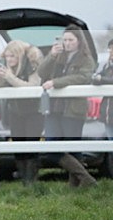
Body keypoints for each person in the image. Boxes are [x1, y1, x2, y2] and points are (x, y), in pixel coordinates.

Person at [38, 25, 97, 187]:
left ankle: (75, 184)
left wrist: (56, 83)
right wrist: (51, 56)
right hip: (53, 108)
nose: (67, 43)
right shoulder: (58, 56)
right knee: (52, 148)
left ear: (79, 41)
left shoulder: (86, 59)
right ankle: (87, 179)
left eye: (71, 40)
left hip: (73, 108)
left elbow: (83, 78)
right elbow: (41, 73)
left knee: (73, 147)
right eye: (65, 40)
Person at [0, 40, 44, 185]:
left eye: (12, 56)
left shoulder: (32, 65)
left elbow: (32, 86)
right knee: (17, 143)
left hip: (34, 111)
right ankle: (23, 177)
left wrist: (10, 77)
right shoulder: (8, 67)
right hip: (15, 111)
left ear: (20, 56)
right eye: (7, 56)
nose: (9, 60)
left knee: (31, 143)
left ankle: (31, 179)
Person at [92, 37, 113, 140]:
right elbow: (95, 79)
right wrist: (98, 78)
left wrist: (102, 79)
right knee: (110, 143)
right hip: (108, 114)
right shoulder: (106, 66)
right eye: (110, 48)